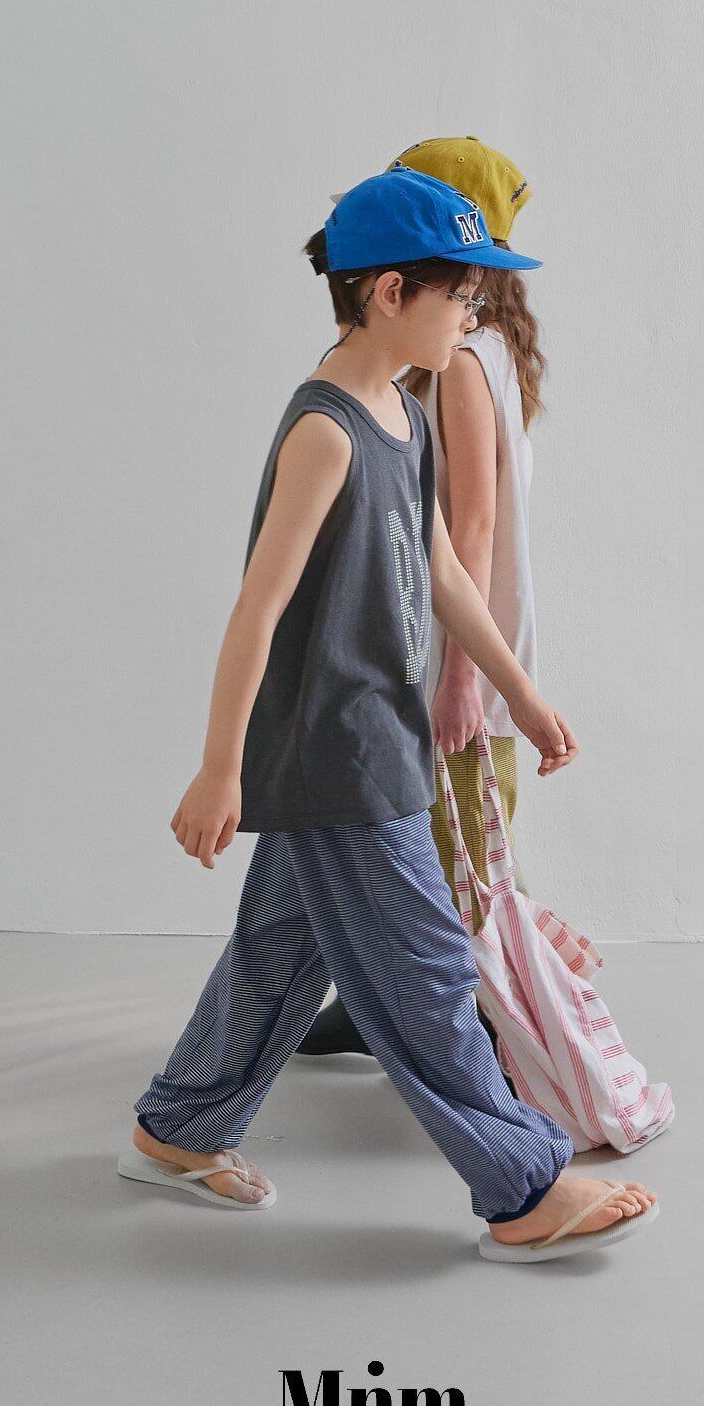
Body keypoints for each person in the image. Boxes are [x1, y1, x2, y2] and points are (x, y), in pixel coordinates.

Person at [119, 164, 658, 1261]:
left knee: (280, 952)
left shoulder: (401, 417)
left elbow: (444, 572)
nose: (474, 314)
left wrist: (520, 693)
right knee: (426, 973)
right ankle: (522, 1188)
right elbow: (257, 609)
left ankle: (178, 1129)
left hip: (377, 743)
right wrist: (220, 768)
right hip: (340, 756)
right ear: (387, 293)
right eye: (461, 294)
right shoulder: (324, 432)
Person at [300, 137, 543, 1063]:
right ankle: (386, 1009)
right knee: (424, 845)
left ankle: (481, 1040)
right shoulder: (485, 348)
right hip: (454, 648)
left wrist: (461, 679)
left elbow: (467, 526)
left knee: (459, 852)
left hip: (457, 654)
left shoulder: (464, 359)